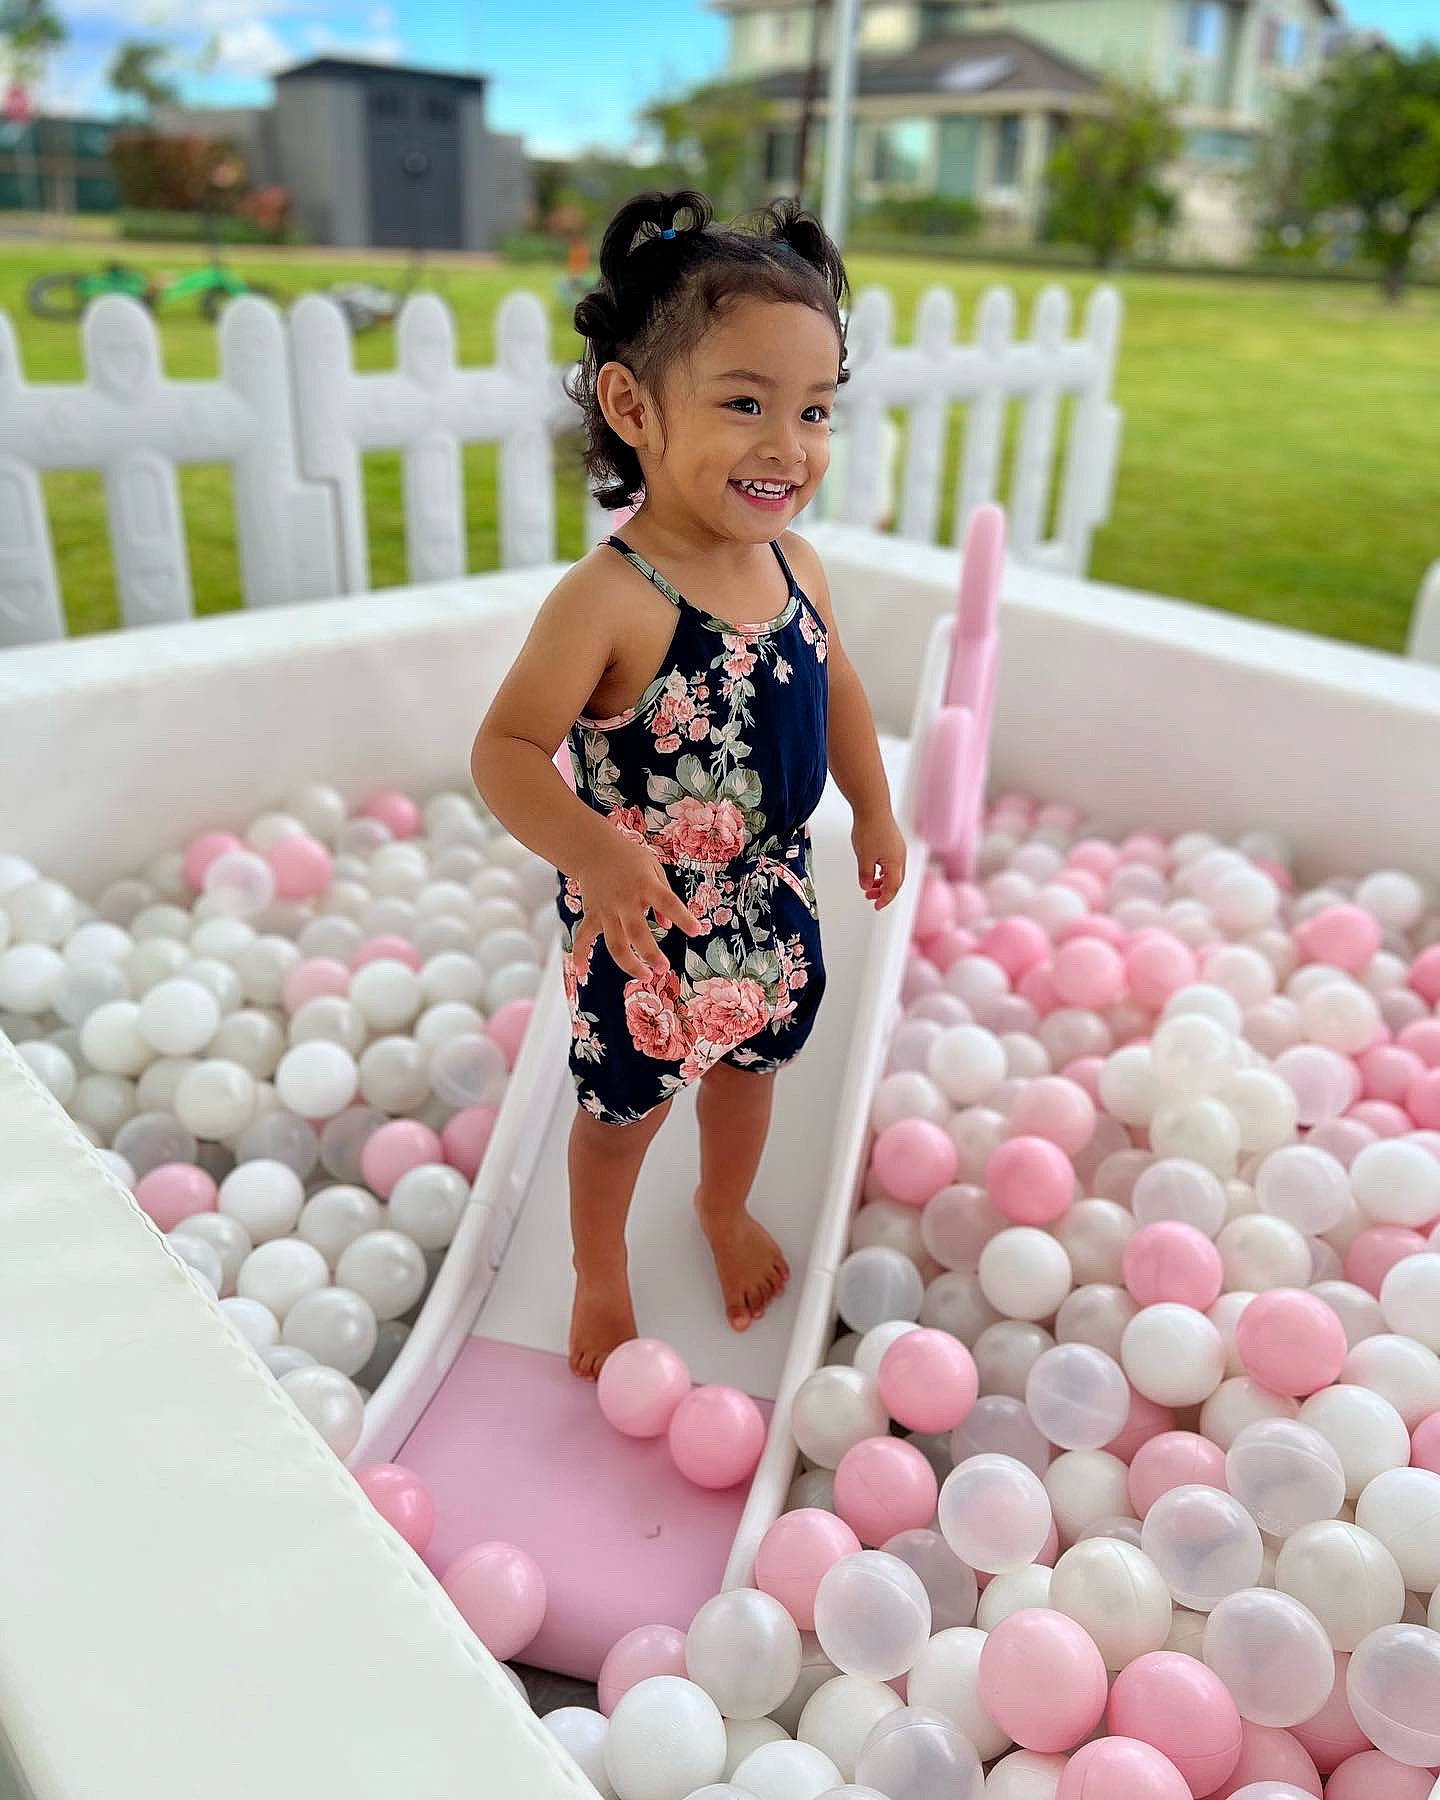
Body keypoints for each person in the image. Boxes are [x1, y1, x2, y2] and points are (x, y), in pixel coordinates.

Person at [471, 189, 906, 1379]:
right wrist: (594, 852)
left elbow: (840, 684)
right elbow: (503, 752)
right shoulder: (609, 599)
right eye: (745, 405)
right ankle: (598, 1268)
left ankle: (722, 1207)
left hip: (773, 895)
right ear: (632, 408)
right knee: (623, 1115)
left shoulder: (793, 561)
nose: (789, 445)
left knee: (750, 1073)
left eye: (814, 410)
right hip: (644, 920)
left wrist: (871, 803)